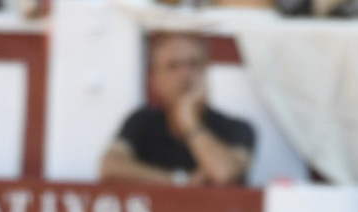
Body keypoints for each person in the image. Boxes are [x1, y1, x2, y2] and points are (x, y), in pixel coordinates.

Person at [99, 34, 255, 187]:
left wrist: (190, 122)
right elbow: (110, 165)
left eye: (194, 64)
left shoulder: (237, 127)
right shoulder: (141, 122)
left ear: (206, 71)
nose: (185, 75)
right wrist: (179, 180)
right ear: (155, 79)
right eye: (173, 66)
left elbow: (224, 173)